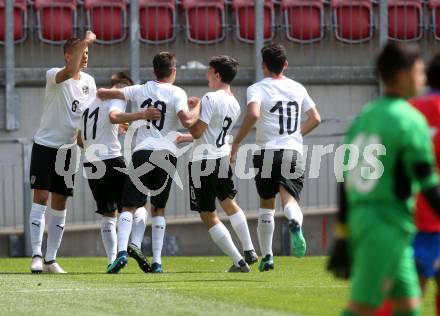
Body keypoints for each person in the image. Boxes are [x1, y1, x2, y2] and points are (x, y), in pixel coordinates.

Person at [328, 42, 440, 316]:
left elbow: (343, 177)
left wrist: (343, 233)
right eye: (418, 71)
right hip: (385, 224)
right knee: (362, 308)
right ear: (403, 75)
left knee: (408, 306)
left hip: (374, 222)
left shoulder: (365, 116)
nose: (422, 78)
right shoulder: (409, 119)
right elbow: (428, 183)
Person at [97, 52, 200, 273]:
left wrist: (101, 93)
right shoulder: (177, 92)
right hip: (167, 154)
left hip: (143, 153)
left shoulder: (141, 89)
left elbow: (106, 92)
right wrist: (196, 106)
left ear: (154, 71)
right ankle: (157, 262)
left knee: (128, 206)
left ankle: (122, 252)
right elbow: (188, 120)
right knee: (158, 208)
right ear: (173, 71)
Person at [230, 43, 321, 271]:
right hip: (292, 151)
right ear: (286, 65)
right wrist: (295, 134)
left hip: (265, 152)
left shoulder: (257, 88)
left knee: (266, 205)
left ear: (263, 66)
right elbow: (316, 118)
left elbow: (253, 113)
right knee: (289, 200)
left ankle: (268, 256)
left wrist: (238, 140)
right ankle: (294, 222)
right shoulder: (298, 88)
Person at [178, 55, 258, 272]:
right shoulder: (234, 102)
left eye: (209, 71)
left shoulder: (210, 98)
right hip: (221, 158)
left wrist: (195, 108)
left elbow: (196, 131)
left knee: (207, 213)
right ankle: (249, 249)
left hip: (203, 161)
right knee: (229, 202)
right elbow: (213, 132)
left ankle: (238, 261)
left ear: (218, 74)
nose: (206, 75)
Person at [77, 72, 161, 272]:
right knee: (137, 202)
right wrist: (142, 114)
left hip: (90, 162)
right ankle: (133, 246)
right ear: (122, 88)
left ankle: (112, 260)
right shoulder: (116, 97)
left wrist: (113, 130)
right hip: (111, 159)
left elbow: (80, 140)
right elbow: (114, 116)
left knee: (108, 212)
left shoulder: (89, 103)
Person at [29, 31, 96, 274]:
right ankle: (36, 255)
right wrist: (86, 39)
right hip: (45, 146)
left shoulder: (90, 82)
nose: (86, 56)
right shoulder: (54, 75)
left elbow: (87, 117)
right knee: (41, 198)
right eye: (82, 52)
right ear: (69, 56)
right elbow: (69, 72)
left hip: (68, 151)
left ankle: (50, 259)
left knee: (61, 200)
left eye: (88, 52)